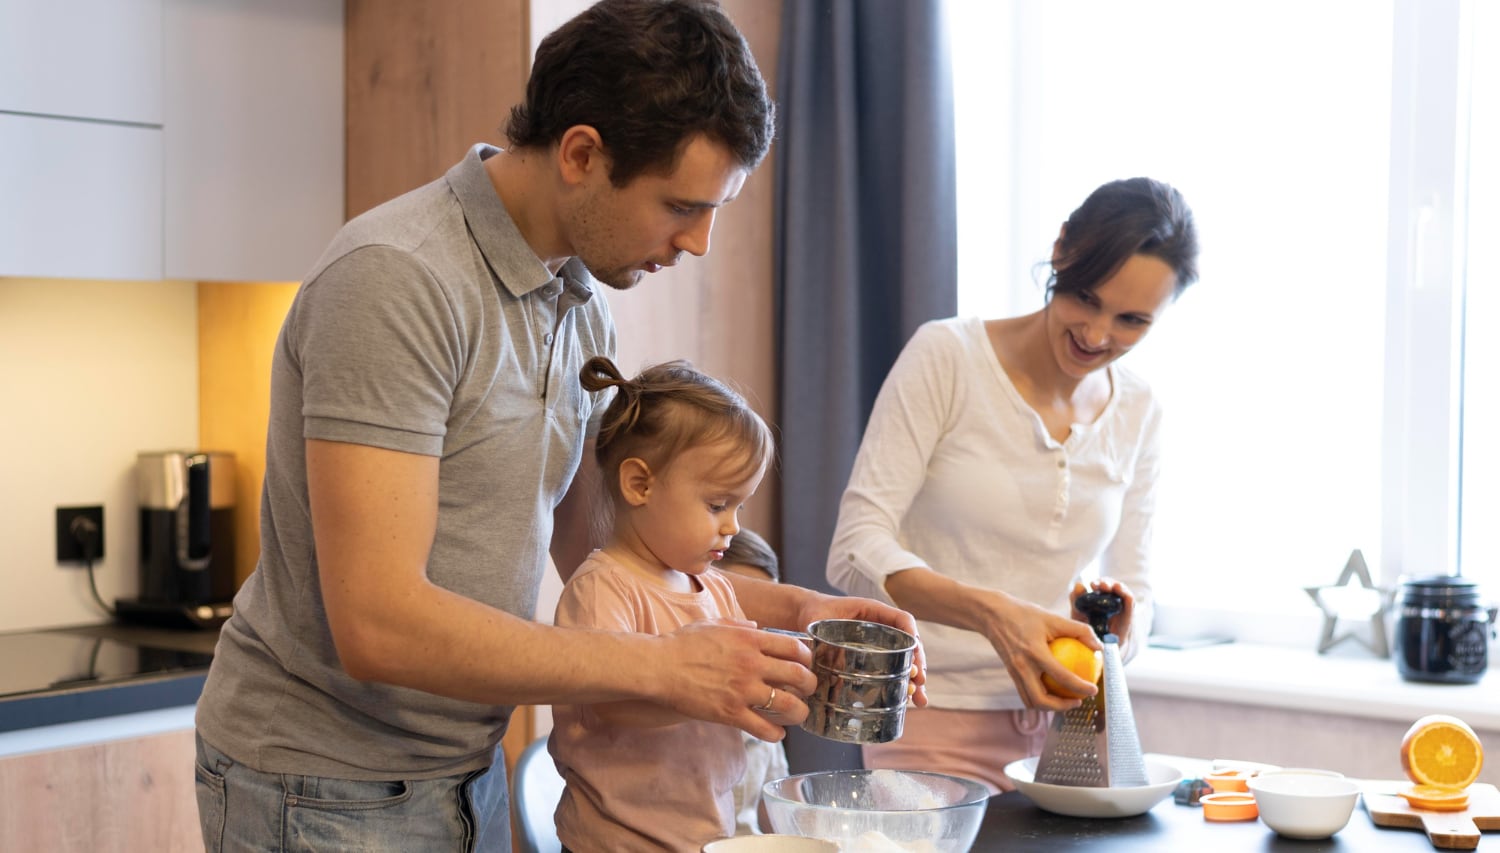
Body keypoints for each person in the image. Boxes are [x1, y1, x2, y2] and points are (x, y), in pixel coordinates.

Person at [192, 2, 923, 850]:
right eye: (681, 205)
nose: (699, 243)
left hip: (466, 766)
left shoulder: (578, 305)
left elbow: (605, 560)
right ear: (582, 154)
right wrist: (667, 666)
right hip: (321, 783)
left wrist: (793, 614)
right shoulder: (395, 281)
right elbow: (378, 623)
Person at [826, 177, 1199, 793]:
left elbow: (1141, 590)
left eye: (1132, 320)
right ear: (1060, 252)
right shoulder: (947, 357)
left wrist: (1116, 637)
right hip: (931, 719)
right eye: (1086, 297)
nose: (1099, 334)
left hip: (1072, 733)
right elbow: (854, 549)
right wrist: (994, 615)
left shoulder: (1140, 409)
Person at [550, 357, 778, 849]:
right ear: (640, 484)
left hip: (702, 835)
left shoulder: (714, 588)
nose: (732, 525)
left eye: (740, 505)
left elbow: (744, 676)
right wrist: (703, 689)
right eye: (718, 504)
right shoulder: (604, 587)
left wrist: (793, 683)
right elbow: (610, 701)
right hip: (616, 842)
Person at [713, 527, 792, 836]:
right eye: (741, 611)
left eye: (766, 619)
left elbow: (780, 810)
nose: (757, 631)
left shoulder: (765, 701)